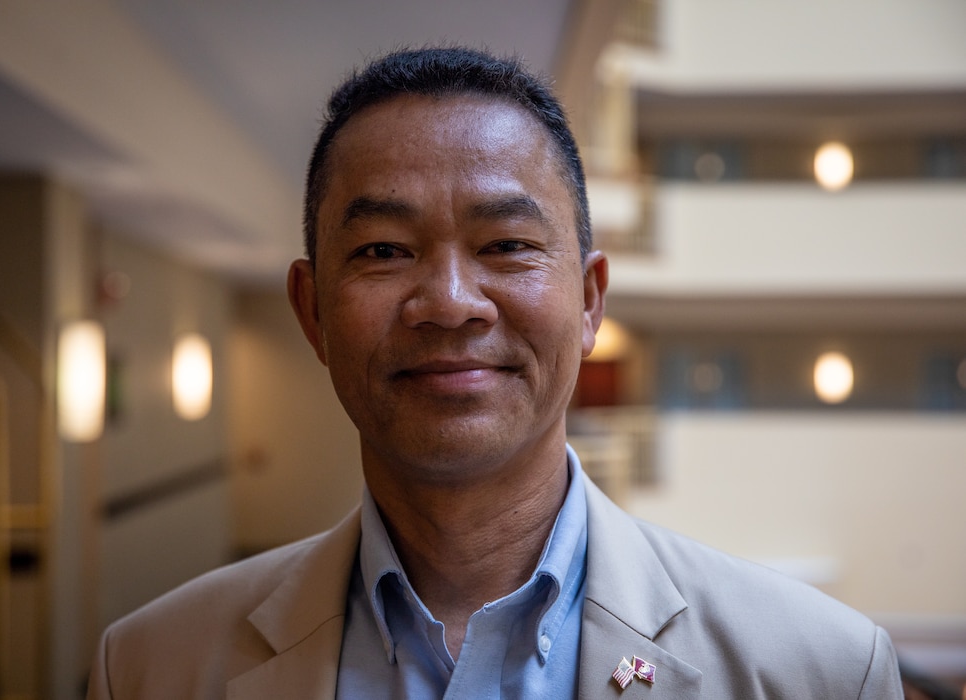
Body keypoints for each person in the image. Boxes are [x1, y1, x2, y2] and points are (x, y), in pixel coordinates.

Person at [88, 47, 903, 699]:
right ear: (312, 315)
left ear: (588, 303)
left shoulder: (820, 670)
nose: (448, 303)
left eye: (506, 245)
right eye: (383, 251)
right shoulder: (152, 667)